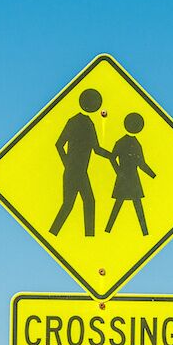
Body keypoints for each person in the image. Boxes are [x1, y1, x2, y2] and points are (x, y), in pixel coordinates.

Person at [49, 88, 113, 238]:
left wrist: (68, 164)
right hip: (76, 172)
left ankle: (82, 236)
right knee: (76, 204)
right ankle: (57, 233)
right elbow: (95, 149)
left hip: (76, 171)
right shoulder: (86, 123)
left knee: (80, 203)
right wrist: (112, 156)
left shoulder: (76, 121)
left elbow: (59, 145)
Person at [104, 112, 156, 234]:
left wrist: (153, 175)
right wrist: (118, 172)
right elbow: (140, 163)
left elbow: (140, 163)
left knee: (134, 205)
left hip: (129, 178)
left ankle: (144, 233)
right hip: (129, 178)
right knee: (124, 204)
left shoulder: (127, 142)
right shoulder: (132, 143)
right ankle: (143, 232)